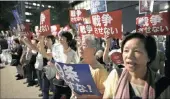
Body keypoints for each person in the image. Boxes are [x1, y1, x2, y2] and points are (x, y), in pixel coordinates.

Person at [103, 33, 170, 99]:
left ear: (149, 56)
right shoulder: (116, 76)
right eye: (126, 50)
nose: (129, 56)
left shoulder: (163, 84)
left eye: (136, 51)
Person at [71, 34, 108, 99]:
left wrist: (86, 97)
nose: (80, 47)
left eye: (84, 45)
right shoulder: (79, 65)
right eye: (79, 45)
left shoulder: (100, 71)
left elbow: (105, 95)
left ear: (93, 50)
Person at [53, 31, 79, 99]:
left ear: (68, 40)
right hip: (59, 79)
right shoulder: (57, 50)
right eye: (60, 37)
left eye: (62, 37)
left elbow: (77, 66)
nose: (60, 39)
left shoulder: (73, 53)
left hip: (69, 82)